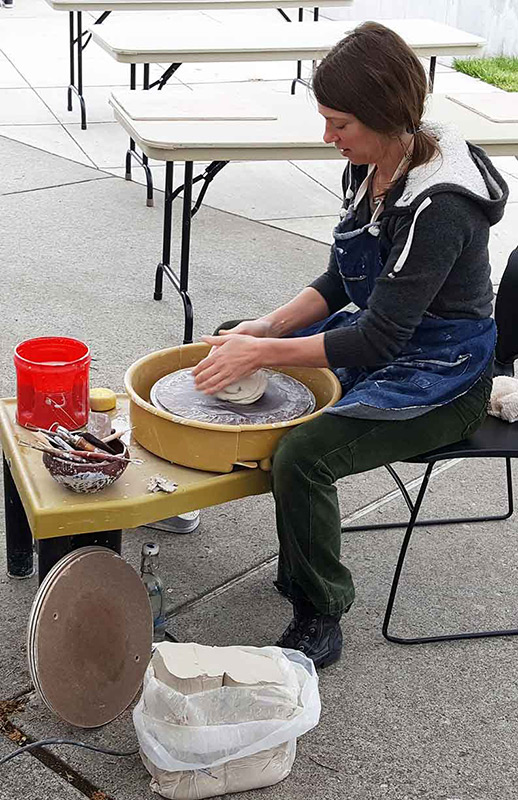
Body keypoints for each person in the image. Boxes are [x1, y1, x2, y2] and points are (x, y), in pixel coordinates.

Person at [192, 22, 508, 668]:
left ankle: (321, 612)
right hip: (387, 338)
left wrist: (264, 355)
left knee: (303, 454)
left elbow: (378, 335)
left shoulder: (440, 205)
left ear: (385, 115)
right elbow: (343, 279)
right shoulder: (377, 163)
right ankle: (297, 544)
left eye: (339, 124)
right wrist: (264, 331)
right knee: (234, 334)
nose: (327, 137)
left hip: (445, 376)